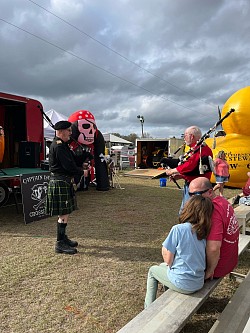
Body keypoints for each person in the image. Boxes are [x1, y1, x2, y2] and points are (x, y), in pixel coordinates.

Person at [144, 195, 213, 309]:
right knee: (162, 267)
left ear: (188, 209)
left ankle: (147, 308)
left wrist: (164, 250)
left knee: (152, 271)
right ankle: (168, 298)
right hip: (198, 281)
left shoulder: (178, 229)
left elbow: (168, 260)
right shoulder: (204, 232)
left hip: (184, 283)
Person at [46, 120, 84, 255]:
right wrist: (81, 171)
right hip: (60, 182)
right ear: (61, 131)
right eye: (69, 130)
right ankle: (60, 243)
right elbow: (68, 166)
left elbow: (71, 161)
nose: (70, 133)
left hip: (62, 181)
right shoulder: (59, 146)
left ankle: (63, 238)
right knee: (63, 213)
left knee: (64, 213)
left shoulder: (62, 145)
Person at [189, 177, 239, 279]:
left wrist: (210, 271)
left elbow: (213, 248)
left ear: (210, 192)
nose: (192, 199)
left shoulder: (212, 211)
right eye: (190, 195)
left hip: (218, 268)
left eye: (196, 195)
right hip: (230, 261)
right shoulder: (223, 201)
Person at [165, 126, 213, 211]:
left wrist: (172, 171)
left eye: (185, 135)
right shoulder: (199, 149)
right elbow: (195, 171)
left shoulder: (200, 149)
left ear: (191, 136)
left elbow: (190, 165)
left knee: (189, 213)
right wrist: (180, 176)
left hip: (198, 189)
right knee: (185, 211)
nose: (184, 138)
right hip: (194, 185)